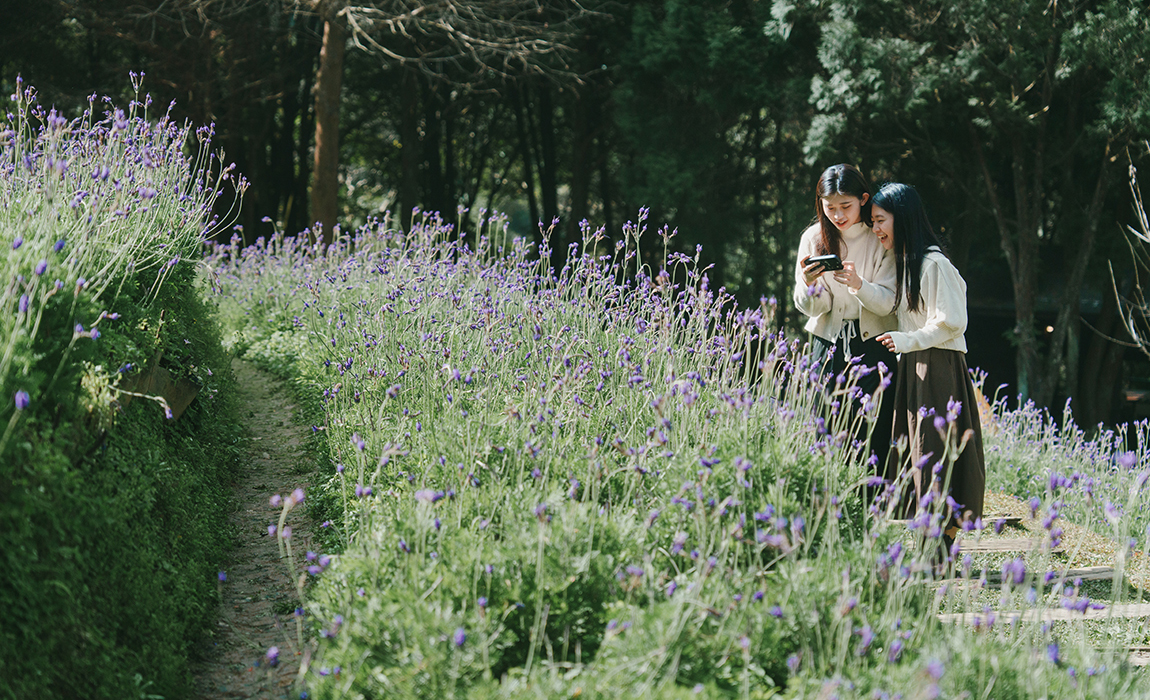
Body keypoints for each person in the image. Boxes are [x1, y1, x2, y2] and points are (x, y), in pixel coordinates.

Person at [873, 183, 985, 551]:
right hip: (916, 366)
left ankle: (939, 545)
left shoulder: (935, 263)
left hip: (937, 366)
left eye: (880, 220)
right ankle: (930, 544)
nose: (875, 229)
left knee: (934, 452)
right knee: (919, 453)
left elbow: (952, 321)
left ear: (902, 218)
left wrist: (907, 341)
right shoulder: (907, 262)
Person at [792, 164, 899, 472]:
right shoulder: (813, 237)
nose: (837, 215)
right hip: (827, 344)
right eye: (830, 208)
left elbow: (889, 304)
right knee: (825, 425)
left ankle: (872, 503)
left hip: (874, 343)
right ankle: (829, 500)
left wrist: (858, 285)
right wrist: (810, 284)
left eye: (845, 206)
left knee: (873, 428)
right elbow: (812, 307)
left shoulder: (879, 234)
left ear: (864, 199)